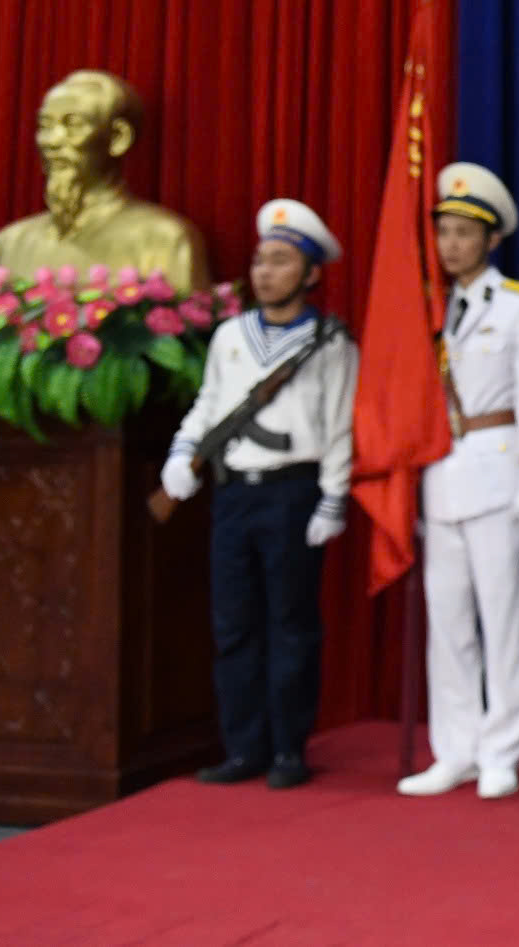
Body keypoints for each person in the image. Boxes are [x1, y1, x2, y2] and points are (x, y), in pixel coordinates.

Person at [164, 199, 360, 789]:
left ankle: (288, 749)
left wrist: (333, 497)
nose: (265, 273)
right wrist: (182, 454)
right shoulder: (231, 335)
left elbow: (340, 425)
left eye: (280, 261)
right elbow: (209, 405)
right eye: (260, 261)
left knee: (290, 623)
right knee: (234, 625)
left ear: (311, 273)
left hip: (292, 493)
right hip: (234, 495)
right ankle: (243, 747)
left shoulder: (329, 343)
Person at [398, 163, 519, 801]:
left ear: (492, 240)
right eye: (444, 232)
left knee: (506, 621)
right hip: (442, 476)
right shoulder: (429, 305)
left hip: (500, 473)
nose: (452, 244)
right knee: (449, 624)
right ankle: (455, 749)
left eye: (464, 233)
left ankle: (501, 750)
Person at [0, 69, 209, 288]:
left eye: (73, 125)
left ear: (118, 138)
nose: (50, 141)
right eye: (45, 125)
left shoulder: (164, 240)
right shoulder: (9, 244)